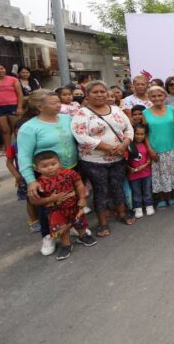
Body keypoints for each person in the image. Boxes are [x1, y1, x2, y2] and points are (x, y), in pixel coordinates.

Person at [18, 89, 79, 256]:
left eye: (59, 101)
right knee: (48, 208)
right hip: (45, 175)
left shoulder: (67, 119)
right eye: (54, 103)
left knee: (69, 202)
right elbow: (23, 156)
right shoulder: (29, 128)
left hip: (69, 170)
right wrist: (31, 180)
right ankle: (48, 235)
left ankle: (69, 227)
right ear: (40, 106)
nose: (59, 104)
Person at [71, 80, 135, 236]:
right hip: (94, 161)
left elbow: (129, 129)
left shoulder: (116, 110)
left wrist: (124, 144)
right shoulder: (82, 114)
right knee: (101, 190)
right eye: (95, 92)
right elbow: (81, 137)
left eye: (102, 92)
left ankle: (122, 213)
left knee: (117, 186)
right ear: (87, 95)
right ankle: (102, 223)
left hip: (118, 158)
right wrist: (109, 148)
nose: (100, 95)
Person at [29, 151, 97, 260]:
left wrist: (83, 198)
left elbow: (79, 184)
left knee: (80, 223)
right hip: (55, 211)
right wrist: (50, 199)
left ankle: (83, 236)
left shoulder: (69, 173)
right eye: (45, 166)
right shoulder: (38, 184)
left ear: (59, 163)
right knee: (62, 229)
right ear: (37, 169)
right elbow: (34, 201)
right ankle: (66, 245)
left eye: (53, 164)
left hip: (74, 206)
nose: (50, 168)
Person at [142, 86, 174, 209]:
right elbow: (144, 134)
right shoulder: (145, 113)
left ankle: (171, 196)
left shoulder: (171, 109)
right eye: (154, 96)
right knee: (159, 174)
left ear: (165, 96)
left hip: (172, 147)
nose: (157, 98)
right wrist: (149, 149)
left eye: (160, 95)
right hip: (155, 149)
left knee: (171, 172)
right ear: (149, 97)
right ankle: (162, 198)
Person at [0, 63, 23, 152]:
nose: (0, 71)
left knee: (17, 129)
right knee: (4, 130)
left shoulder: (13, 79)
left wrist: (19, 107)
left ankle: (21, 148)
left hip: (13, 106)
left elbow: (20, 94)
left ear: (5, 69)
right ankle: (8, 150)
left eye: (2, 68)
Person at [127, 123, 154, 219]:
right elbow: (125, 160)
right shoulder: (129, 145)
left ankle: (149, 205)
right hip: (133, 175)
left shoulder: (146, 145)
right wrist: (129, 168)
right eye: (137, 134)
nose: (139, 136)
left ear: (145, 135)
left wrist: (144, 166)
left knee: (147, 190)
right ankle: (138, 207)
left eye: (142, 134)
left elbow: (149, 159)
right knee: (136, 192)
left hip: (146, 173)